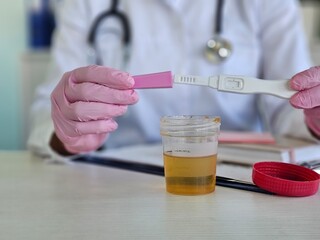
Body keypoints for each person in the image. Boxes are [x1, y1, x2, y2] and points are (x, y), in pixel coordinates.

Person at [27, 0, 320, 160]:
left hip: (235, 174)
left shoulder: (270, 4)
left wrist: (312, 118)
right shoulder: (84, 5)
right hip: (119, 178)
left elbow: (289, 108)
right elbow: (48, 110)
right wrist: (69, 134)